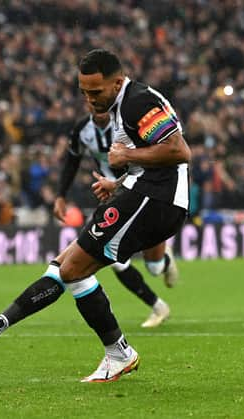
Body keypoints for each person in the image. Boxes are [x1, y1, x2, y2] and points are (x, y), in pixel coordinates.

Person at [0, 49, 191, 382]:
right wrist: (118, 181)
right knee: (64, 266)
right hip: (140, 193)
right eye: (83, 91)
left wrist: (126, 156)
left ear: (117, 82)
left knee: (74, 269)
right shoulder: (119, 105)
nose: (88, 98)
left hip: (155, 200)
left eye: (95, 91)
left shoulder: (137, 101)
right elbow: (150, 158)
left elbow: (178, 150)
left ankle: (120, 354)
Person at [53, 104, 179, 328]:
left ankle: (165, 260)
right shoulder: (82, 129)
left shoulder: (126, 125)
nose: (97, 106)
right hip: (111, 196)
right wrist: (61, 195)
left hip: (139, 192)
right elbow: (72, 161)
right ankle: (158, 306)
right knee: (113, 259)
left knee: (154, 268)